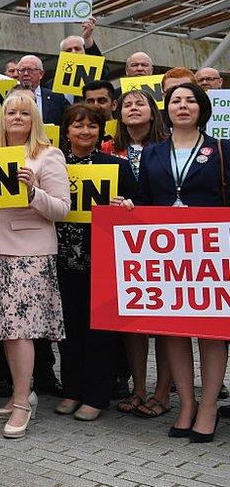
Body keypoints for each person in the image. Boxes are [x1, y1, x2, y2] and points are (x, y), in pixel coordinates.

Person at [135, 83, 228, 443]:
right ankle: (186, 404)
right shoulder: (153, 153)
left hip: (209, 256)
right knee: (172, 330)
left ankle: (208, 407)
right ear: (167, 109)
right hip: (166, 256)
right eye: (176, 101)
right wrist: (130, 209)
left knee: (210, 331)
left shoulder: (221, 149)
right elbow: (144, 199)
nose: (183, 106)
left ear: (202, 108)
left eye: (190, 101)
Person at [0, 92, 70, 439]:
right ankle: (24, 391)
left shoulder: (49, 155)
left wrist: (33, 192)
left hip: (30, 253)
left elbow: (62, 208)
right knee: (7, 329)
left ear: (35, 118)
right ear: (2, 119)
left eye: (24, 112)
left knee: (20, 330)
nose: (16, 118)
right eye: (10, 113)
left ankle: (21, 402)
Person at [55, 103, 137, 421]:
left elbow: (137, 206)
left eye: (91, 125)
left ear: (100, 130)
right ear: (67, 131)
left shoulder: (116, 167)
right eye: (78, 125)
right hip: (63, 259)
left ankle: (96, 395)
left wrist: (127, 205)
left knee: (99, 332)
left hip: (101, 261)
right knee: (70, 328)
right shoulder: (56, 165)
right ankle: (72, 389)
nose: (85, 131)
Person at [100, 88, 171, 418]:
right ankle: (138, 389)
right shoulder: (107, 148)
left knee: (164, 323)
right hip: (122, 242)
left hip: (163, 240)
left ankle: (162, 392)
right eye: (127, 104)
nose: (133, 108)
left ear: (153, 110)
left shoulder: (168, 148)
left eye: (139, 103)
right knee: (132, 320)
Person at [16, 55, 70, 124]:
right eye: (22, 70)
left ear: (41, 74)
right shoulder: (9, 96)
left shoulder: (56, 97)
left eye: (30, 70)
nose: (25, 74)